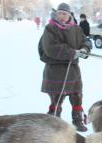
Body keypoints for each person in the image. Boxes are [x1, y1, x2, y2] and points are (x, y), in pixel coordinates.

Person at [38, 3, 91, 132]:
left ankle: (77, 121)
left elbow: (86, 41)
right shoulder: (50, 28)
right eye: (60, 13)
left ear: (69, 15)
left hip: (73, 70)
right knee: (57, 99)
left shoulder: (76, 29)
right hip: (55, 71)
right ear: (56, 14)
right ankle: (54, 122)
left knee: (77, 96)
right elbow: (50, 48)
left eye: (65, 14)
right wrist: (71, 53)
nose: (62, 16)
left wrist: (85, 49)